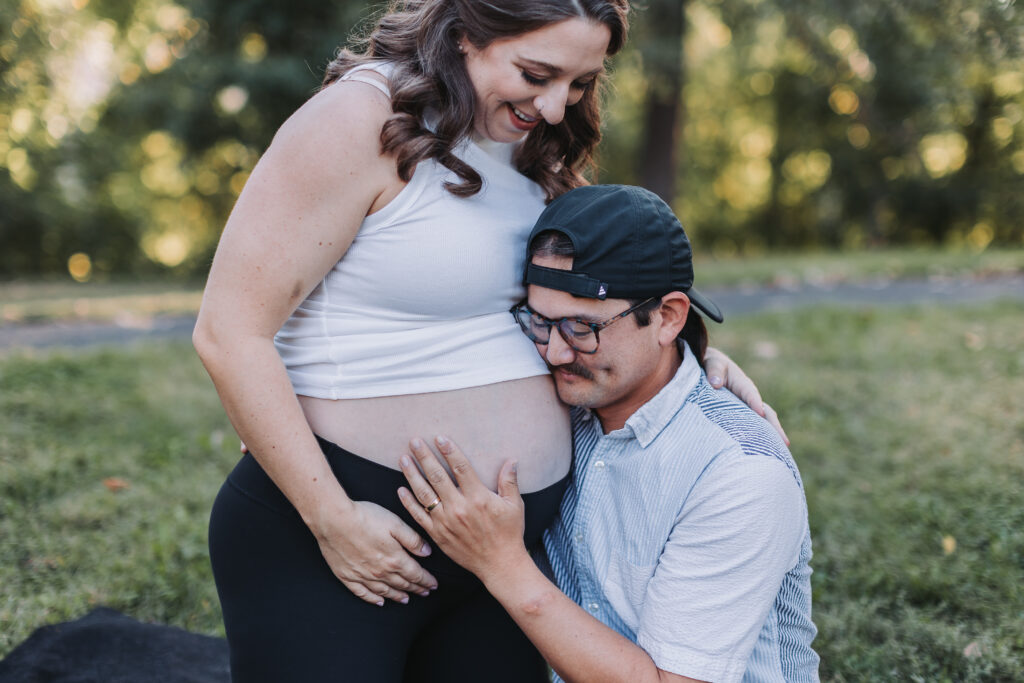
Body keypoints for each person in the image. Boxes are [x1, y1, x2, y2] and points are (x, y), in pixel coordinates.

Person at [193, 1, 777, 680]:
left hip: (503, 558)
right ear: (467, 33)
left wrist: (684, 356)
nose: (556, 106)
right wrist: (331, 517)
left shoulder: (529, 138)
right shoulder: (357, 119)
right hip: (347, 539)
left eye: (581, 83)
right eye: (537, 73)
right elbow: (229, 331)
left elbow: (563, 301)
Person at [398, 185, 819, 683]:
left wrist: (502, 564)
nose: (554, 352)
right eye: (539, 321)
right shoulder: (567, 401)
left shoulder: (739, 473)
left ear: (668, 317)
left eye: (581, 327)